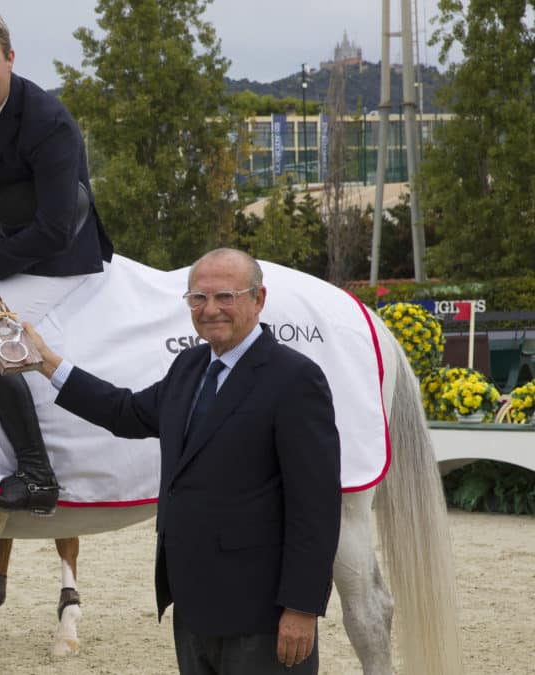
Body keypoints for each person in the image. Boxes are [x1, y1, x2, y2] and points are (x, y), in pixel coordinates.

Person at [25, 248, 342, 673]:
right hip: (193, 605)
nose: (210, 309)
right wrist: (49, 364)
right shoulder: (190, 366)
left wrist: (302, 608)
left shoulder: (295, 378)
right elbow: (127, 412)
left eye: (225, 297)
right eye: (198, 298)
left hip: (261, 613)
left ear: (258, 299)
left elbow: (316, 506)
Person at [0, 9, 113, 514]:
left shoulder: (48, 119)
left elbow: (57, 228)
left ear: (10, 58)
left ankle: (37, 474)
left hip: (61, 254)